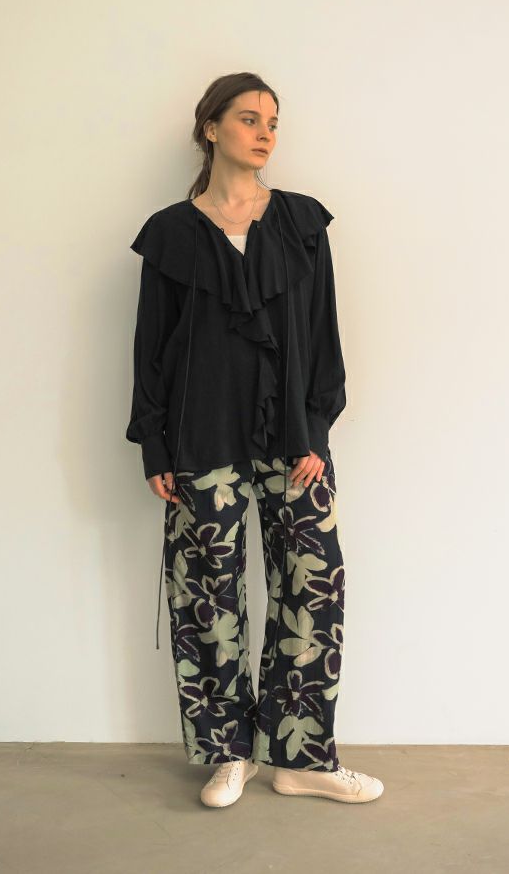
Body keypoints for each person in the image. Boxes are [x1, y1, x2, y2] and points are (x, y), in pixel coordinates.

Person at [126, 72, 384, 808]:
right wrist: (156, 447)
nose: (265, 132)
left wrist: (317, 429)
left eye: (273, 121)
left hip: (294, 440)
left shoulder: (301, 222)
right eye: (248, 118)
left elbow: (324, 334)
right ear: (211, 128)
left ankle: (301, 758)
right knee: (206, 595)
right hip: (199, 437)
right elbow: (150, 347)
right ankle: (227, 753)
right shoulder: (172, 234)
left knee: (313, 587)